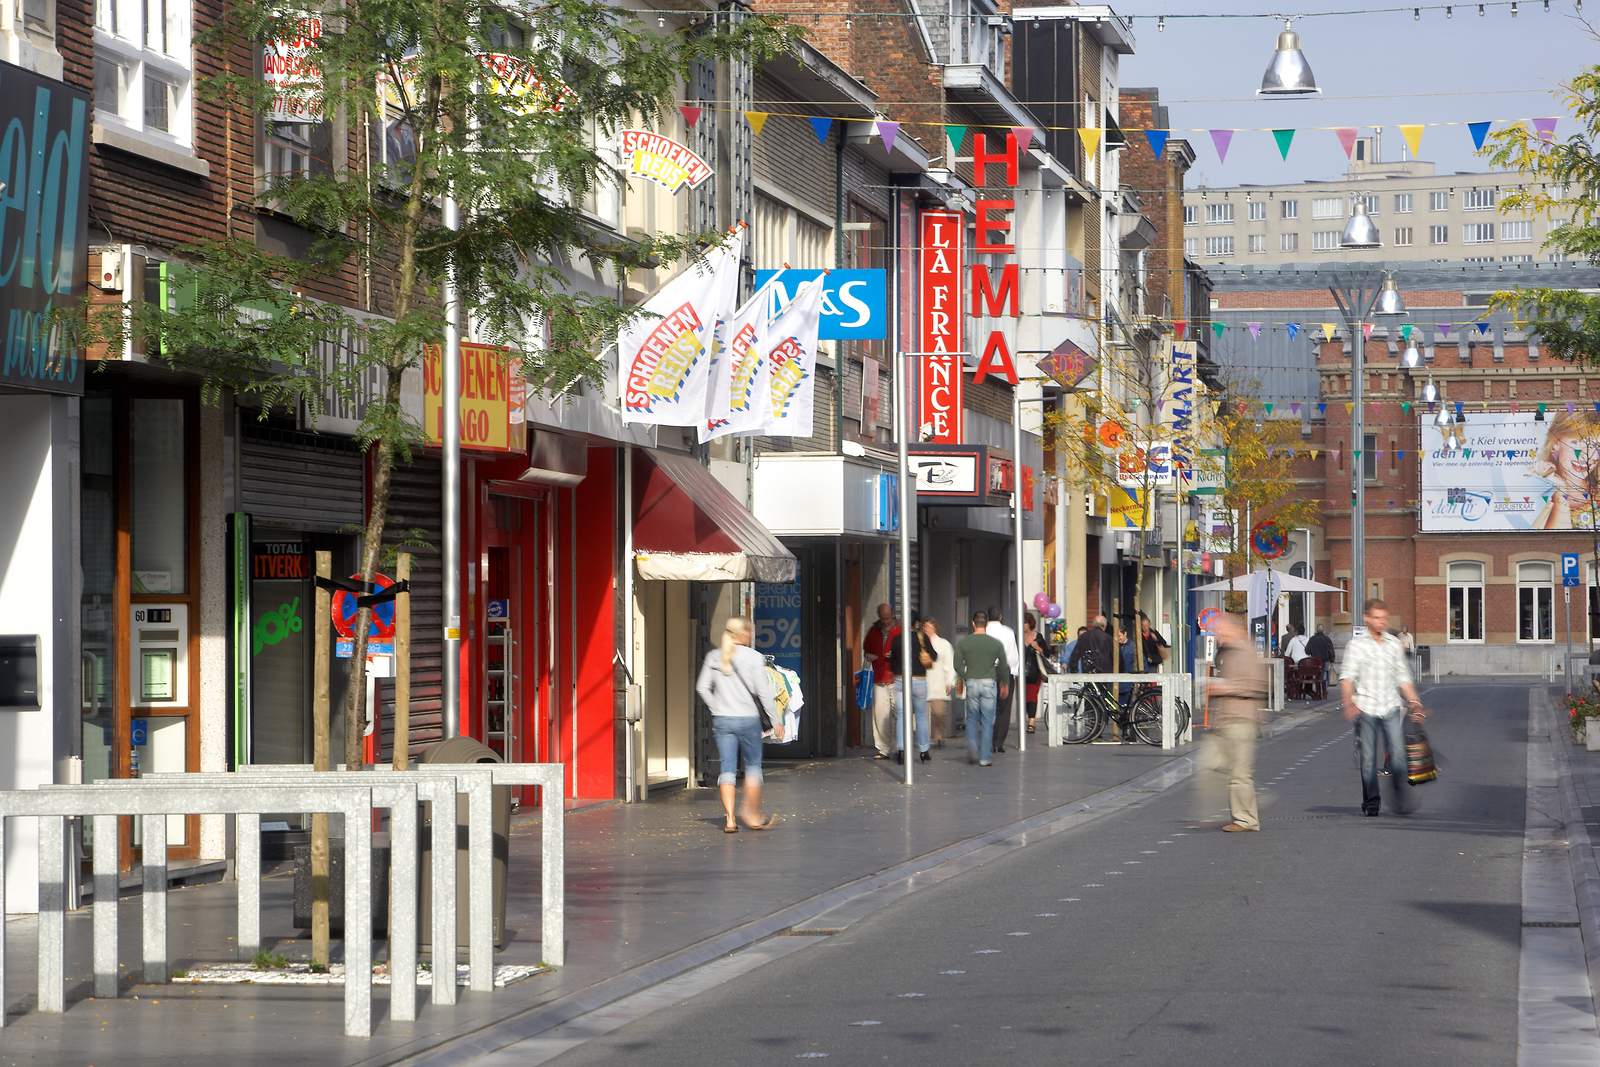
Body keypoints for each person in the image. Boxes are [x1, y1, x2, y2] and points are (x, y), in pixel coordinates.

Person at [1341, 598, 1428, 817]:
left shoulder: (1393, 644)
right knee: (1368, 759)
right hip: (1366, 707)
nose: (1381, 622)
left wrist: (1415, 703)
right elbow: (1347, 678)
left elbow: (1403, 678)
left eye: (1384, 618)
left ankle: (1400, 795)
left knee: (1398, 756)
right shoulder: (1357, 646)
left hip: (1390, 706)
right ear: (1367, 618)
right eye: (1377, 618)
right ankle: (1371, 802)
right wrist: (1348, 702)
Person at [695, 617, 782, 833]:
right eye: (749, 631)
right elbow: (763, 692)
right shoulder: (754, 657)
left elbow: (702, 688)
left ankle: (730, 820)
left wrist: (717, 708)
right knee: (753, 766)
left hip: (723, 720)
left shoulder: (714, 656)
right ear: (742, 634)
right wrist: (775, 719)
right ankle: (751, 815)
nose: (751, 635)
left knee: (727, 768)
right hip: (749, 720)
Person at [1206, 612, 1268, 832]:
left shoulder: (1246, 652)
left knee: (1240, 772)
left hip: (1242, 719)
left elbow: (1257, 685)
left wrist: (1225, 687)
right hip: (1225, 719)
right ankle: (1242, 812)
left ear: (1233, 630)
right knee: (1218, 766)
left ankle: (1246, 819)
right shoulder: (1227, 653)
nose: (1219, 635)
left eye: (1222, 631)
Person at [953, 611, 1011, 767]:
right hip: (989, 683)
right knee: (987, 721)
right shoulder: (996, 644)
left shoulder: (964, 643)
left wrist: (965, 675)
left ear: (973, 624)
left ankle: (972, 746)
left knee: (971, 718)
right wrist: (1004, 683)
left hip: (971, 682)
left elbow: (957, 665)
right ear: (986, 624)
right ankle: (985, 757)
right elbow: (1004, 667)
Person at [888, 615, 935, 763]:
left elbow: (892, 662)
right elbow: (933, 655)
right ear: (916, 623)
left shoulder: (897, 639)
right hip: (919, 681)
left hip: (901, 680)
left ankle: (902, 751)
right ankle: (923, 751)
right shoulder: (922, 638)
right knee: (921, 716)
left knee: (902, 715)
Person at [862, 603, 901, 760]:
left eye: (887, 617)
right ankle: (883, 748)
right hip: (879, 678)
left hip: (896, 677)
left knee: (900, 714)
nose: (885, 621)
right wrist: (870, 656)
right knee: (880, 715)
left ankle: (900, 746)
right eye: (882, 618)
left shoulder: (900, 629)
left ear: (892, 614)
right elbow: (867, 649)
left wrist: (896, 655)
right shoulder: (873, 630)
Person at [984, 607, 1021, 753]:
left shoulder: (983, 630)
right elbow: (1012, 655)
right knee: (1003, 708)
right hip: (1004, 671)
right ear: (1000, 617)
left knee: (986, 707)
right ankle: (998, 742)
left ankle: (986, 739)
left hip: (985, 671)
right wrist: (1014, 671)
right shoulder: (1008, 632)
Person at [923, 617, 956, 748]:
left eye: (929, 627)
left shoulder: (944, 644)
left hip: (939, 682)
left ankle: (939, 737)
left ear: (935, 628)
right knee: (924, 715)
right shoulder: (920, 643)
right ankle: (926, 738)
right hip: (923, 682)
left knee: (939, 713)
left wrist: (950, 682)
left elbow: (950, 664)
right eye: (925, 627)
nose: (927, 629)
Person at [1022, 613, 1054, 735]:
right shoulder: (1018, 636)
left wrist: (1038, 648)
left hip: (1035, 672)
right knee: (1024, 697)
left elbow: (1047, 653)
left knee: (1032, 696)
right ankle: (1028, 718)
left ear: (1030, 623)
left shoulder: (1038, 636)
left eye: (1025, 622)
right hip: (1021, 672)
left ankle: (1031, 722)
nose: (1024, 625)